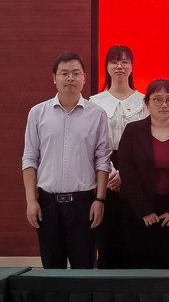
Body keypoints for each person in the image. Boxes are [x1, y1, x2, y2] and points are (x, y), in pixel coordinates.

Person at [22, 52, 112, 269]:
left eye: (75, 73)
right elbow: (30, 157)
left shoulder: (97, 114)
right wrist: (31, 201)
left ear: (84, 77)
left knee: (83, 269)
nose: (70, 78)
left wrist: (99, 200)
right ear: (54, 78)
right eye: (64, 73)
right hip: (47, 204)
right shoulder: (37, 113)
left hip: (84, 204)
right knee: (52, 270)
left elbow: (102, 160)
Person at [116, 79, 169, 268]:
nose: (164, 104)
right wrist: (144, 211)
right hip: (138, 209)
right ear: (147, 103)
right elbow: (127, 171)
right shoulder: (133, 131)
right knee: (140, 264)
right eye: (157, 99)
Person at [89, 45, 147, 268]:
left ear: (132, 66)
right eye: (114, 62)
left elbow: (147, 141)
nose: (119, 66)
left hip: (137, 171)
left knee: (135, 236)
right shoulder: (94, 102)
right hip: (104, 171)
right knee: (107, 237)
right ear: (106, 67)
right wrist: (111, 171)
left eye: (124, 61)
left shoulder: (144, 101)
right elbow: (93, 144)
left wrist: (126, 173)